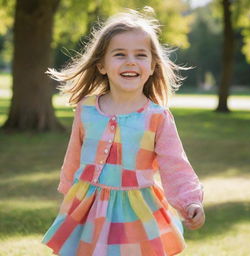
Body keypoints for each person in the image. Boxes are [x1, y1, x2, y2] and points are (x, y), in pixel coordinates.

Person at [42, 7, 205, 256]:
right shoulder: (86, 109)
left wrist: (189, 201)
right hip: (88, 205)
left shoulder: (156, 117)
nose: (131, 61)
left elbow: (175, 165)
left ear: (152, 66)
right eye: (120, 54)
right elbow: (73, 156)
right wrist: (69, 194)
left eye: (141, 55)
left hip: (135, 210)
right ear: (102, 66)